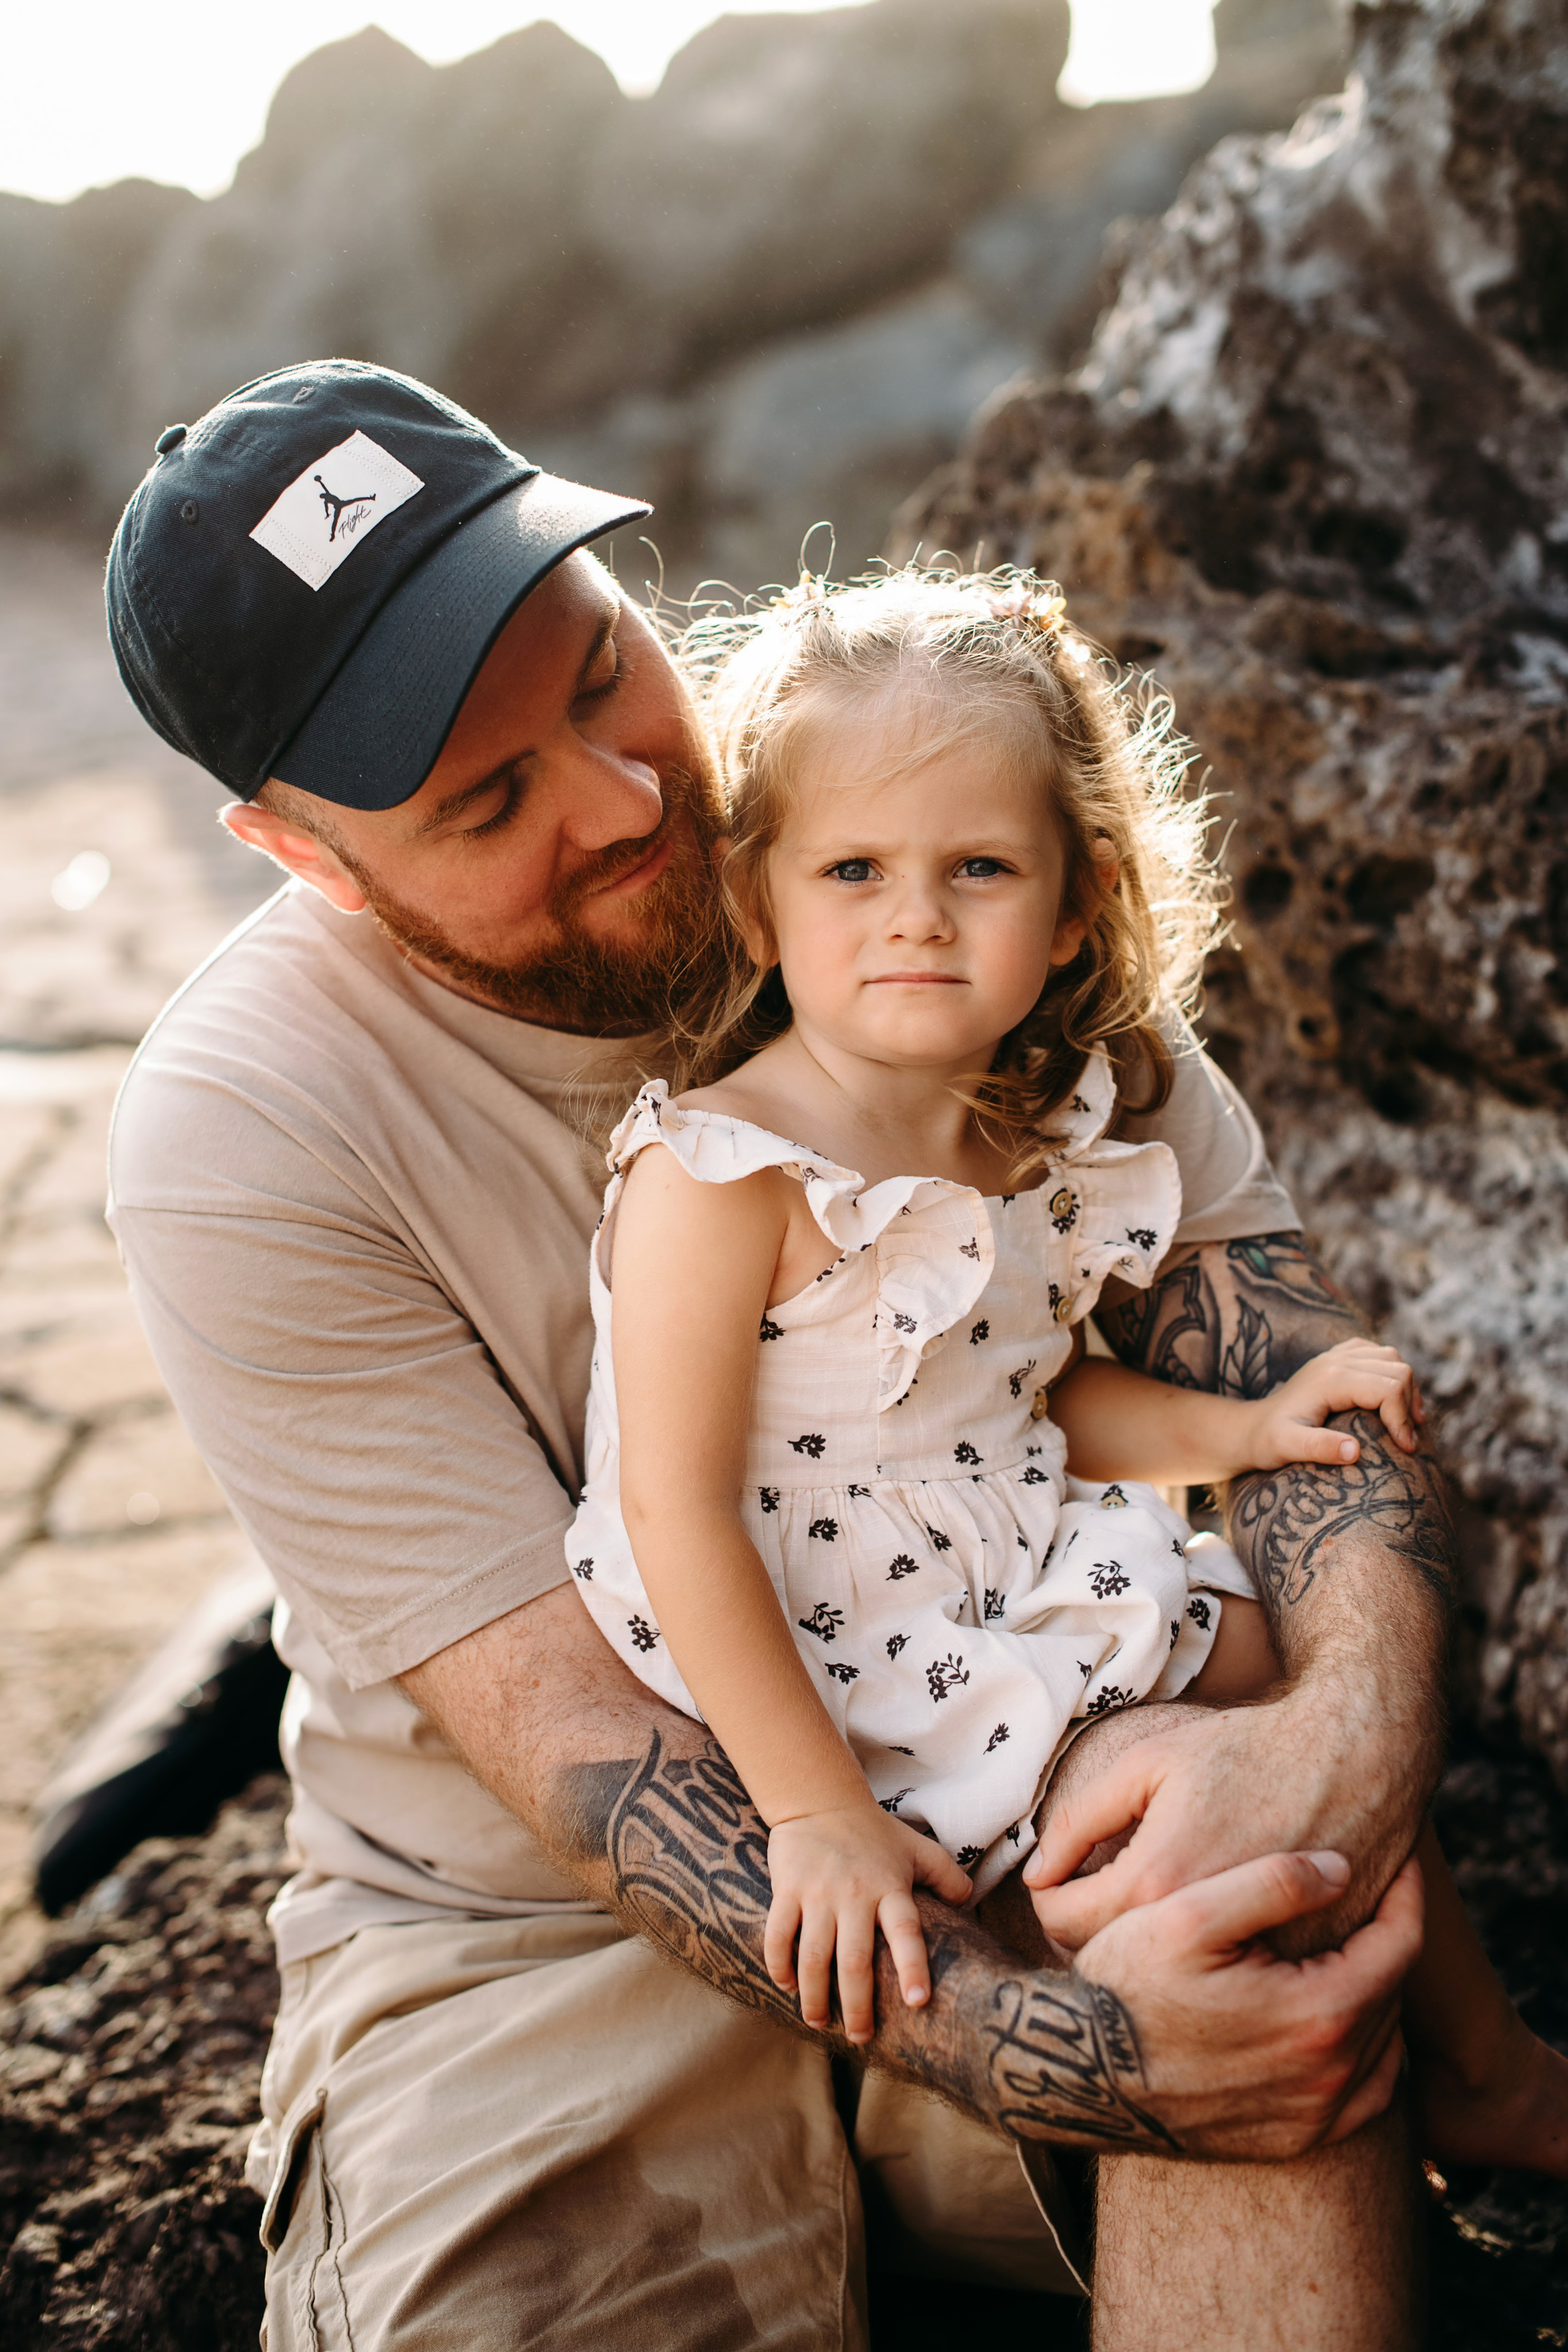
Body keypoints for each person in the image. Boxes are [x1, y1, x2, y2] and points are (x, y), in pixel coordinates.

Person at [101, 358, 1450, 2350]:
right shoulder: (246, 1134)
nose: (628, 801)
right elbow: (578, 1744)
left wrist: (1343, 1756)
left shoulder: (896, 825)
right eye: (489, 800)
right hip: (530, 1940)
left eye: (599, 671)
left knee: (1248, 1914)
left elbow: (1299, 1382)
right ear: (304, 852)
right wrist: (1083, 2054)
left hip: (1002, 1739)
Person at [570, 565, 1568, 2173]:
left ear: (1076, 903)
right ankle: (1370, 2078)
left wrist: (1245, 1427)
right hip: (804, 1638)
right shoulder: (723, 1172)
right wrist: (814, 1813)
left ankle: (1479, 2057)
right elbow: (671, 1507)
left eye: (979, 866)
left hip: (988, 1551)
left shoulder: (1031, 1130)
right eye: (853, 869)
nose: (917, 915)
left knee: (1266, 1658)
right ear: (758, 906)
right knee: (1181, 1755)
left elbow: (1030, 1405)